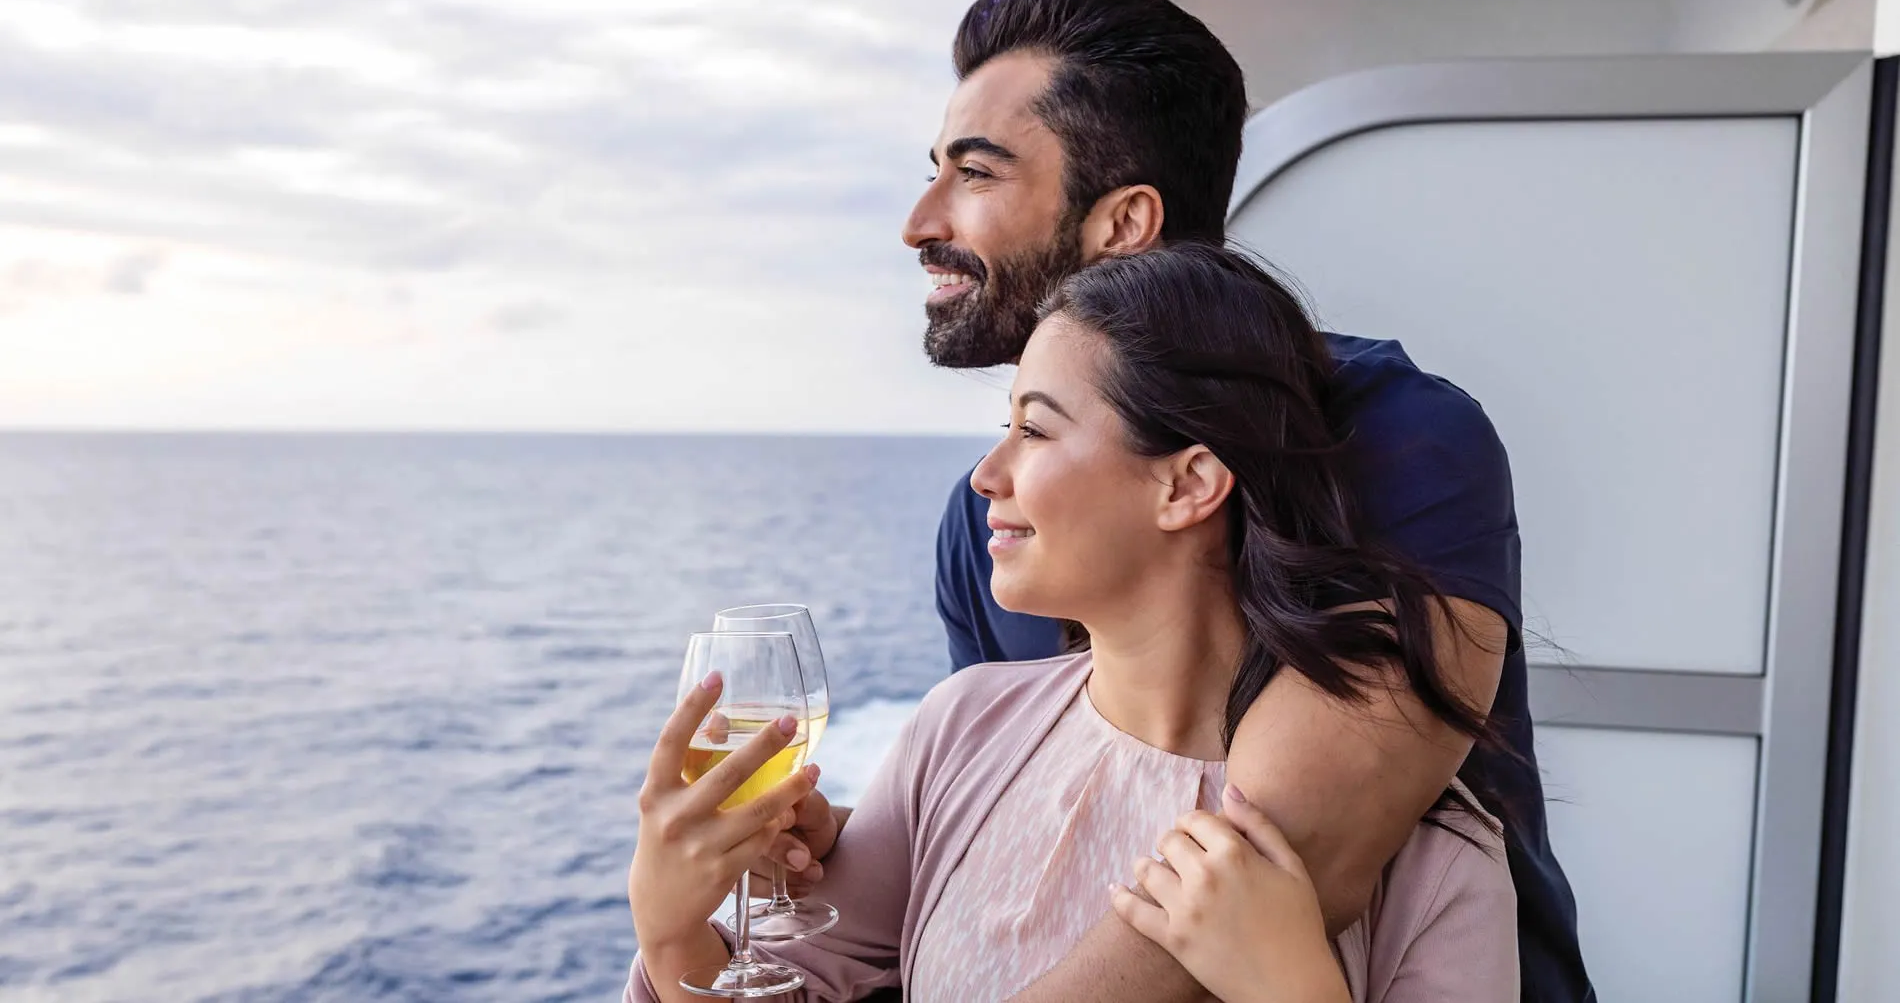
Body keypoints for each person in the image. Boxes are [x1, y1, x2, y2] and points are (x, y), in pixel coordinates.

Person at [761, 0, 1594, 1000]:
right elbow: (1034, 813)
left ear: (1124, 221)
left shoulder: (1402, 437)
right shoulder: (979, 526)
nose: (919, 222)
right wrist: (860, 853)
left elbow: (1286, 855)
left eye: (974, 173)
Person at [626, 244, 1518, 1002]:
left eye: (1036, 431)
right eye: (1002, 427)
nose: (986, 474)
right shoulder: (960, 732)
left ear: (1187, 484)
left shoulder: (1437, 864)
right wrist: (671, 935)